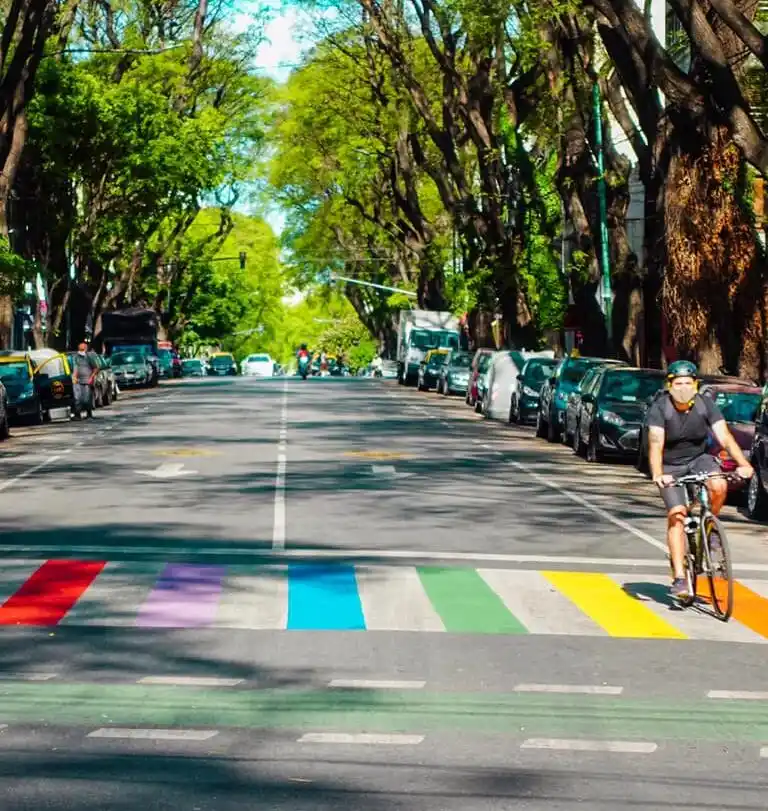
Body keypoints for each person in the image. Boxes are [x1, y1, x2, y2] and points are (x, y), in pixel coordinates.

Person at [646, 360, 753, 599]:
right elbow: (655, 443)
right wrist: (658, 473)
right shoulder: (660, 408)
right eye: (678, 383)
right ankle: (679, 577)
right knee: (677, 516)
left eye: (688, 383)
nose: (683, 388)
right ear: (669, 385)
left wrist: (743, 464)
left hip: (698, 459)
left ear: (695, 384)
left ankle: (708, 526)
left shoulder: (705, 404)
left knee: (719, 484)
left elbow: (724, 437)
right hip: (670, 465)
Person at [72, 342, 98, 419]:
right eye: (80, 349)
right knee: (77, 398)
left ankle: (89, 413)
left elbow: (96, 368)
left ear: (86, 349)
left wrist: (91, 378)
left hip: (87, 381)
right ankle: (77, 415)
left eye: (83, 349)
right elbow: (75, 368)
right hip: (77, 381)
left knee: (87, 398)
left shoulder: (89, 357)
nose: (81, 351)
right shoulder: (75, 357)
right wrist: (74, 377)